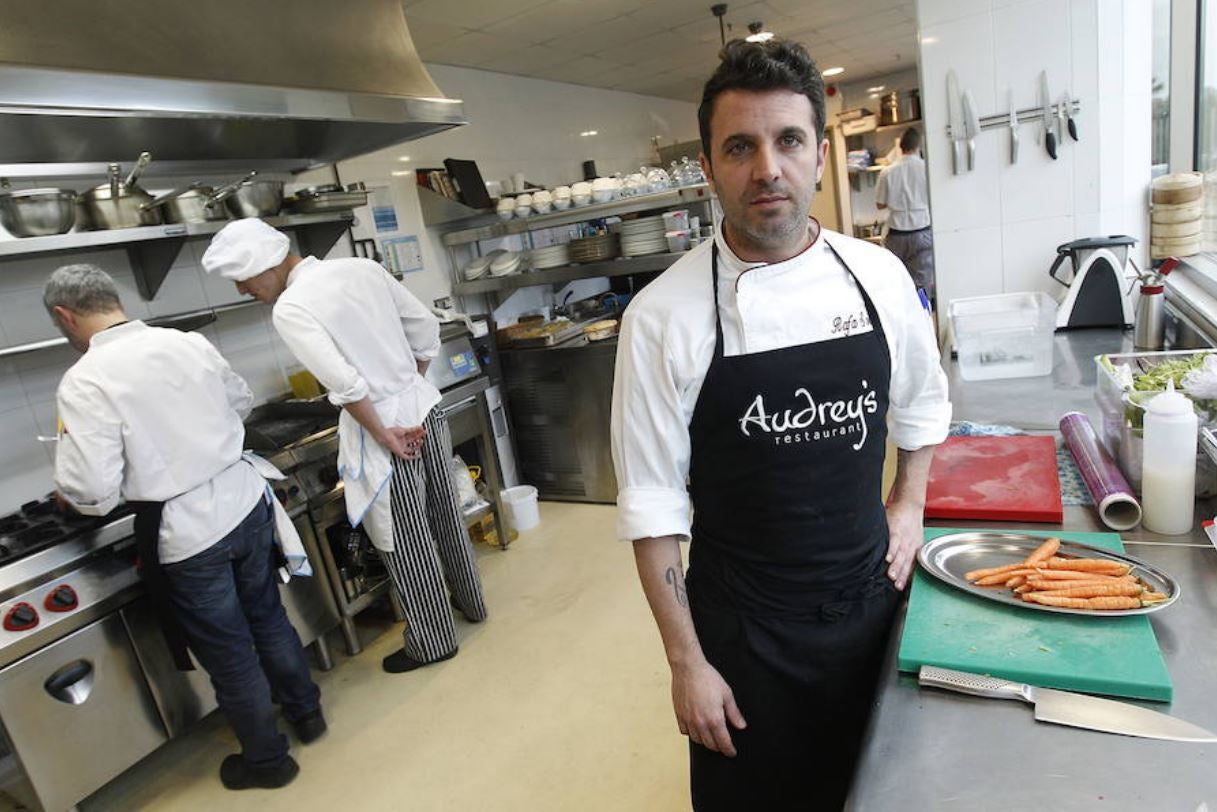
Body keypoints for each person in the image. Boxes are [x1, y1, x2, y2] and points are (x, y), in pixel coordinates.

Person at [610, 40, 951, 810]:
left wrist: (909, 501)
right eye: (740, 146)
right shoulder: (662, 318)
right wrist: (685, 664)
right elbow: (653, 509)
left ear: (818, 156)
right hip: (745, 638)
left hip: (872, 602)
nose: (767, 167)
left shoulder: (878, 276)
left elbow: (923, 402)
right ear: (708, 165)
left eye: (788, 140)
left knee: (884, 793)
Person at [46, 264, 323, 791]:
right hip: (244, 504)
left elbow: (93, 491)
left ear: (65, 316)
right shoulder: (184, 343)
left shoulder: (85, 380)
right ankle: (307, 715)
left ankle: (268, 762)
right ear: (112, 299)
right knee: (267, 617)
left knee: (230, 650)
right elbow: (240, 404)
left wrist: (73, 491)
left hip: (190, 532)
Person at [202, 219, 488, 674]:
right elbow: (425, 331)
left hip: (387, 428)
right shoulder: (361, 268)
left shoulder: (292, 306)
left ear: (263, 266)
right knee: (443, 510)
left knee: (404, 535)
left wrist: (383, 430)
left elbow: (345, 382)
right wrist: (407, 390)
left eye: (241, 278)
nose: (241, 289)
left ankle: (433, 640)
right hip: (423, 408)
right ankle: (471, 603)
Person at [877, 126, 935, 297]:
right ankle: (923, 318)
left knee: (896, 284)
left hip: (897, 235)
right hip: (922, 231)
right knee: (922, 287)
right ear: (918, 147)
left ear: (900, 147)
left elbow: (880, 205)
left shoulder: (887, 172)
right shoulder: (927, 168)